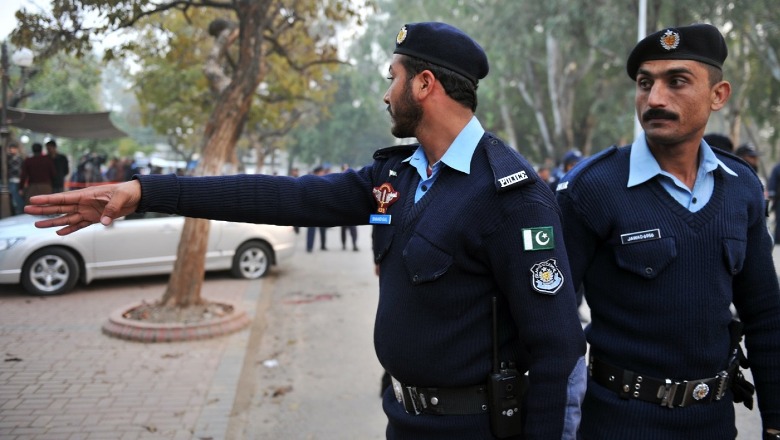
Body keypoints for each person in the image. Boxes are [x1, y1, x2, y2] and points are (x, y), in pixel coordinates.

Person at [25, 22, 586, 439]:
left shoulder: (509, 195)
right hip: (403, 420)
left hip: (475, 429)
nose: (384, 93)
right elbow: (283, 197)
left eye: (392, 79)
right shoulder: (397, 174)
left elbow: (557, 349)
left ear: (425, 84)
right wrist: (146, 192)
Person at [555, 24, 780, 439]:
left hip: (713, 424)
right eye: (645, 84)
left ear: (718, 95)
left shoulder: (742, 187)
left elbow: (765, 316)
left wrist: (776, 423)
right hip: (617, 425)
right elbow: (551, 323)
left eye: (676, 81)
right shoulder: (592, 188)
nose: (654, 99)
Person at [340, 163, 359, 251]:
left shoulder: (353, 182)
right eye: (344, 169)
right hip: (343, 209)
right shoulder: (339, 181)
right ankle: (343, 244)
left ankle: (354, 244)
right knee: (343, 230)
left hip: (352, 210)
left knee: (353, 229)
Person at [5, 142, 25, 215]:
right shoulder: (8, 158)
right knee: (14, 197)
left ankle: (21, 211)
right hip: (11, 179)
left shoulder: (20, 158)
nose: (11, 150)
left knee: (16, 197)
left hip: (17, 180)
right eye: (11, 149)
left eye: (13, 149)